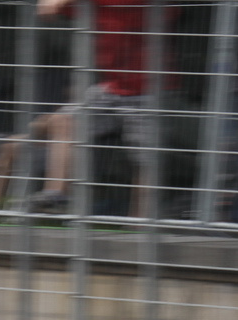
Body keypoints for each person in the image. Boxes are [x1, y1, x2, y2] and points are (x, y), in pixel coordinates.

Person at [30, 0, 160, 216]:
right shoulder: (97, 6)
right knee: (63, 120)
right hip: (112, 87)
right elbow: (56, 9)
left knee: (146, 160)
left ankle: (140, 224)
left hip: (149, 90)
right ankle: (56, 194)